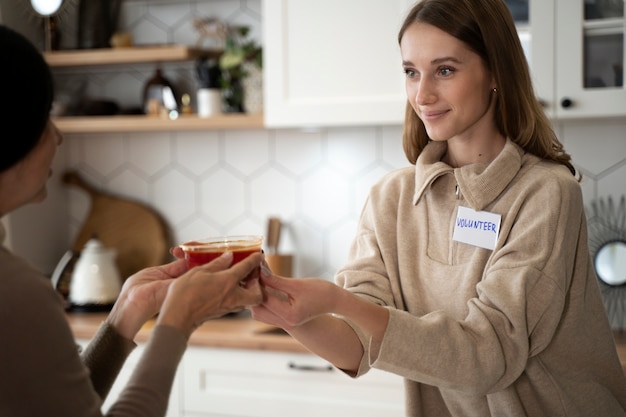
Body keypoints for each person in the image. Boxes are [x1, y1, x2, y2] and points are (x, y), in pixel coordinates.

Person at [251, 0, 626, 415]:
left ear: (496, 72)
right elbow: (357, 345)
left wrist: (338, 300)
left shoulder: (545, 193)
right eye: (411, 72)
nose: (422, 94)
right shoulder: (391, 198)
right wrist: (279, 307)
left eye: (445, 70)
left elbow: (490, 354)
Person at [0, 25, 263, 416]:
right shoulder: (16, 291)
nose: (57, 137)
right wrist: (176, 323)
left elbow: (63, 407)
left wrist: (126, 315)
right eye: (43, 120)